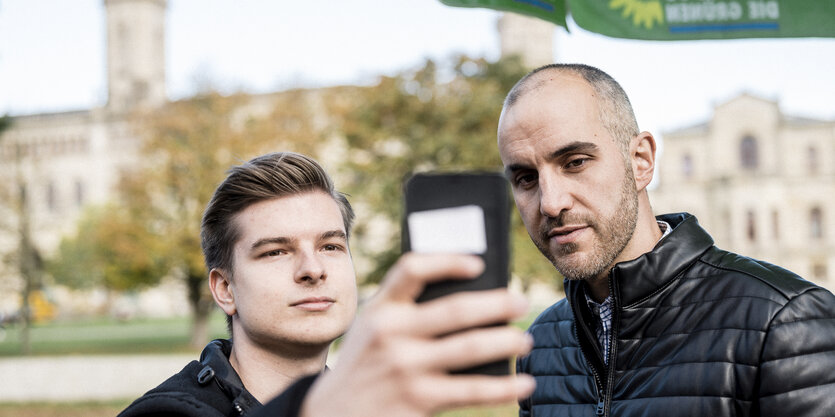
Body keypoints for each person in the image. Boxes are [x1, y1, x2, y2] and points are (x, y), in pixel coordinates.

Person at [497, 63, 835, 416]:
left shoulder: (786, 321)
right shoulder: (540, 346)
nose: (551, 203)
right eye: (525, 178)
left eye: (576, 162)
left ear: (641, 161)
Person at [120, 151, 534, 417]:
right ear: (224, 289)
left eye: (331, 246)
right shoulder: (167, 411)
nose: (312, 268)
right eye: (276, 252)